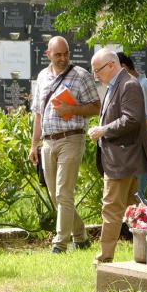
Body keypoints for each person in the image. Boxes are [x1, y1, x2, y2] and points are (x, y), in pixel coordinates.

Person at [29, 36, 101, 253]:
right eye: (57, 54)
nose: (62, 58)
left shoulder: (81, 76)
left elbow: (97, 107)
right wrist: (34, 144)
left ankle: (59, 243)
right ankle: (80, 236)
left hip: (72, 138)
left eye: (65, 53)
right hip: (48, 143)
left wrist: (73, 110)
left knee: (63, 192)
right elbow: (38, 114)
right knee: (55, 195)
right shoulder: (42, 77)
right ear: (48, 54)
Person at [88, 48, 147, 265]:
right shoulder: (115, 85)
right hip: (120, 158)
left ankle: (104, 258)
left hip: (122, 160)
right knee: (134, 211)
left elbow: (132, 119)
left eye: (97, 70)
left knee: (112, 209)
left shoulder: (128, 84)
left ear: (111, 65)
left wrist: (104, 130)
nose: (95, 75)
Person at [117, 51, 147, 197]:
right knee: (130, 198)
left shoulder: (145, 86)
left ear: (123, 68)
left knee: (137, 197)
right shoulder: (128, 87)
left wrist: (128, 124)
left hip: (145, 153)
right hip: (133, 152)